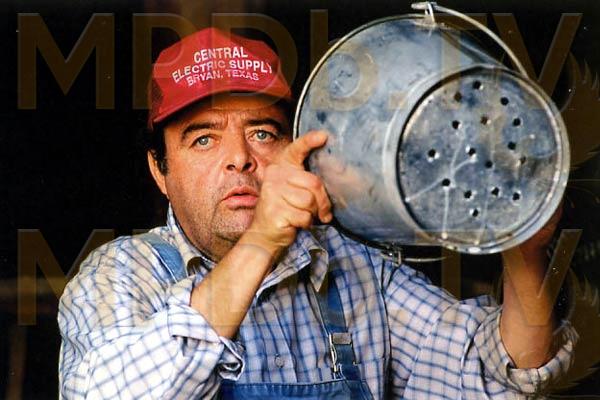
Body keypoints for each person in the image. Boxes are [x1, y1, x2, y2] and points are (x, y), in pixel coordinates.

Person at [58, 27, 577, 399]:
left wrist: (523, 244)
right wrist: (261, 241)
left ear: (297, 149)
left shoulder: (354, 269)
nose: (240, 158)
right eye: (204, 139)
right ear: (160, 170)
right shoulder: (119, 276)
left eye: (263, 133)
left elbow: (498, 376)